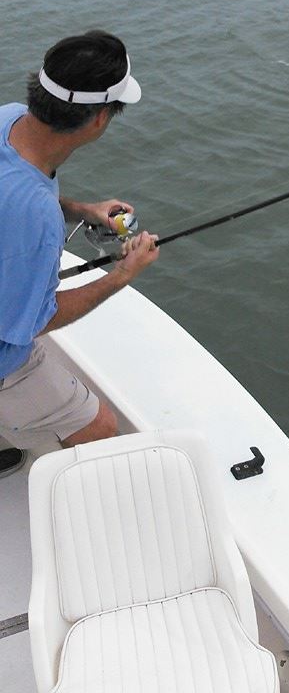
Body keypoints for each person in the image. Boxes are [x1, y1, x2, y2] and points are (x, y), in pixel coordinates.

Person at [0, 31, 159, 464]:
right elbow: (32, 322)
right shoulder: (37, 217)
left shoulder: (9, 119)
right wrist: (121, 277)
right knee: (101, 429)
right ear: (99, 120)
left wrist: (84, 209)